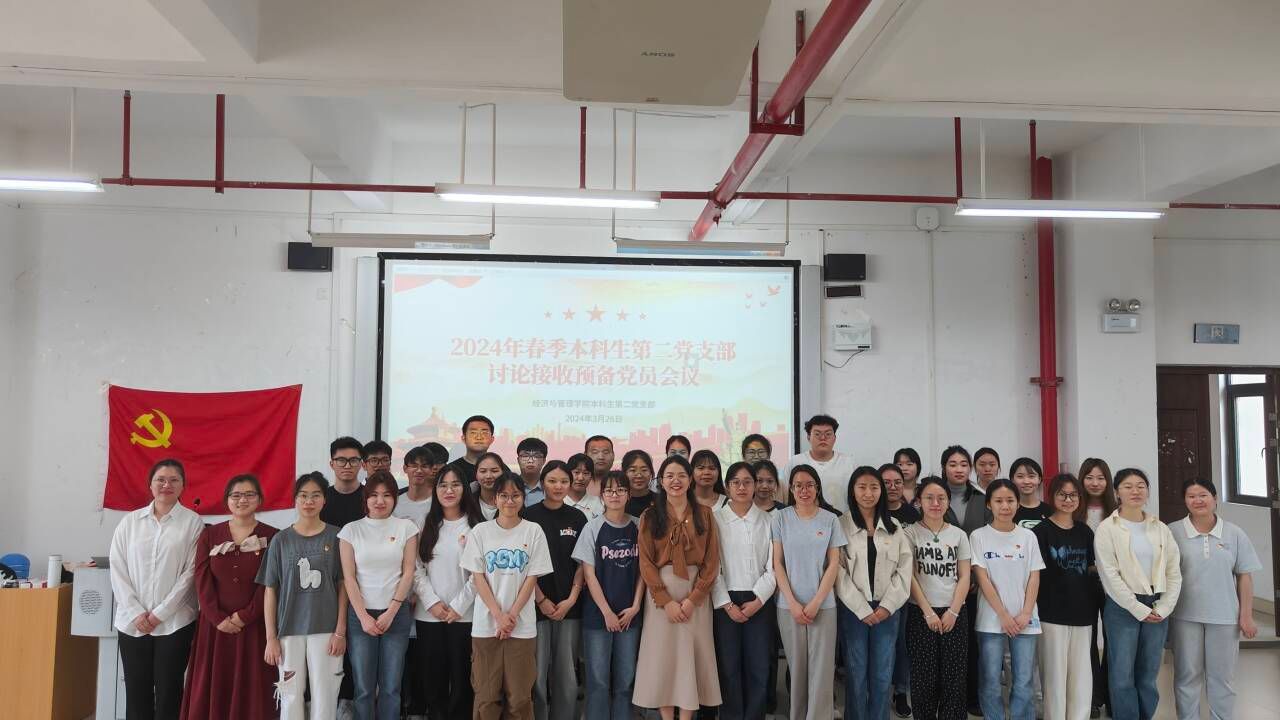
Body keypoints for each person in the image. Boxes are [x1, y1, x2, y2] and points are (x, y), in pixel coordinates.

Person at [109, 459, 203, 720]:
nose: (166, 485)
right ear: (150, 484)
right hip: (132, 623)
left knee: (169, 692)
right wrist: (136, 612)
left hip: (175, 623)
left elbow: (190, 574)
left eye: (174, 480)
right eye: (160, 479)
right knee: (136, 692)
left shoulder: (192, 523)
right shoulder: (130, 522)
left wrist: (159, 614)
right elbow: (117, 569)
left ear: (183, 486)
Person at [181, 475, 277, 720]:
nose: (242, 500)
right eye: (236, 495)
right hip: (215, 628)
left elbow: (271, 584)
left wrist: (246, 616)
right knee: (214, 684)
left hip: (256, 626)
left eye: (249, 494)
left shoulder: (274, 536)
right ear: (227, 500)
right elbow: (201, 579)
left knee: (253, 686)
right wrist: (217, 618)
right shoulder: (209, 535)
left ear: (259, 500)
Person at [634, 454, 723, 719]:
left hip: (696, 597)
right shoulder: (650, 516)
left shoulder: (705, 514)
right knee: (664, 661)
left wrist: (693, 599)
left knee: (690, 661)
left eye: (682, 475)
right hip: (661, 598)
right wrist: (666, 601)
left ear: (690, 479)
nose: (676, 481)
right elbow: (646, 563)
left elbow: (712, 561)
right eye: (670, 476)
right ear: (661, 481)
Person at [461, 474, 554, 720]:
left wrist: (511, 616)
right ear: (495, 499)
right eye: (504, 496)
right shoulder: (481, 532)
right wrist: (498, 616)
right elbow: (478, 578)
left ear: (523, 498)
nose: (510, 501)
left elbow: (532, 578)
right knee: (486, 696)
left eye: (515, 496)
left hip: (521, 627)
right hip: (486, 626)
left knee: (520, 698)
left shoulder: (533, 531)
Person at [1093, 468, 1182, 720]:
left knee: (1148, 673)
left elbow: (1174, 571)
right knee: (1122, 674)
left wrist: (1164, 607)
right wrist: (1137, 608)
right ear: (1116, 492)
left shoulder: (1160, 528)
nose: (1135, 491)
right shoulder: (1107, 528)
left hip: (1157, 605)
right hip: (1122, 606)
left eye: (1141, 486)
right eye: (1128, 486)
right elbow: (1109, 575)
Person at [1170, 477, 1261, 720]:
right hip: (1184, 616)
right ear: (1185, 501)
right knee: (1186, 676)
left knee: (1222, 677)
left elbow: (1244, 576)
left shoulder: (1234, 533)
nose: (1197, 500)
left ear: (1215, 498)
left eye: (1203, 495)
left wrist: (1246, 616)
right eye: (1191, 496)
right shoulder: (1172, 532)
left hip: (1224, 616)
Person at [259, 473, 348, 720]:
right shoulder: (281, 540)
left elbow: (343, 586)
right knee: (289, 694)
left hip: (326, 630)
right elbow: (270, 590)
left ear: (324, 500)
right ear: (295, 500)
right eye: (303, 496)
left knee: (325, 693)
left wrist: (340, 631)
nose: (309, 501)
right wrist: (271, 637)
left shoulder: (337, 537)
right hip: (288, 631)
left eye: (315, 495)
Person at [338, 470, 420, 720]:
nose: (380, 501)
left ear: (395, 498)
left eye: (386, 495)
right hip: (360, 616)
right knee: (363, 688)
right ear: (366, 498)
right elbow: (349, 578)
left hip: (396, 614)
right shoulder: (351, 530)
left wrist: (392, 611)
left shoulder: (406, 527)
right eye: (373, 495)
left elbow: (408, 572)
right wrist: (363, 617)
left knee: (391, 687)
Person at [837, 466, 913, 720]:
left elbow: (904, 570)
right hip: (853, 611)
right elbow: (837, 572)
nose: (868, 493)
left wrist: (887, 607)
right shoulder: (841, 525)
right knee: (856, 672)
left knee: (882, 673)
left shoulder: (894, 527)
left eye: (874, 487)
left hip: (887, 611)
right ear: (852, 491)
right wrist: (861, 609)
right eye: (862, 487)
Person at [772, 464, 847, 720]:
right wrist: (793, 602)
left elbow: (834, 564)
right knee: (797, 669)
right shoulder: (780, 518)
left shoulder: (830, 519)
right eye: (798, 486)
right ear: (791, 489)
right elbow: (777, 563)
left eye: (809, 485)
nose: (804, 490)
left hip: (823, 605)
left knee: (822, 669)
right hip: (788, 606)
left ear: (817, 488)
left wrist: (816, 602)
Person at [412, 466, 485, 720]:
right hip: (429, 615)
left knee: (463, 679)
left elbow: (480, 574)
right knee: (433, 680)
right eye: (443, 485)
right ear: (435, 490)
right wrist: (431, 602)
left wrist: (458, 606)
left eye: (455, 484)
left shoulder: (477, 526)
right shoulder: (425, 523)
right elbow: (415, 568)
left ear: (465, 488)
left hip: (465, 616)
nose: (449, 490)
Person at [573, 471, 644, 720]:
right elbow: (589, 575)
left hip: (630, 616)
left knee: (625, 681)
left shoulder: (639, 525)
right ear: (602, 495)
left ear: (629, 494)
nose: (615, 495)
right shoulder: (592, 527)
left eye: (621, 490)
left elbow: (644, 573)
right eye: (609, 490)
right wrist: (606, 612)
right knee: (598, 682)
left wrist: (636, 606)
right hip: (598, 617)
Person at [970, 478, 1044, 720]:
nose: (1005, 506)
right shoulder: (979, 536)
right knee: (990, 679)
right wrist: (1002, 615)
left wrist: (1025, 613)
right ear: (989, 504)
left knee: (1023, 680)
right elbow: (982, 579)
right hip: (991, 620)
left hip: (1025, 620)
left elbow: (1034, 578)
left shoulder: (1028, 537)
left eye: (1010, 500)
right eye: (999, 501)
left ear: (1018, 503)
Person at [522, 461, 588, 720]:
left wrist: (571, 599)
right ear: (542, 484)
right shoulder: (528, 516)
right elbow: (524, 564)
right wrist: (541, 600)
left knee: (567, 675)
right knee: (536, 675)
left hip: (569, 608)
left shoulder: (578, 518)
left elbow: (583, 563)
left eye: (563, 481)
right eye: (552, 481)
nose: (558, 486)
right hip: (535, 606)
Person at [711, 462, 776, 720]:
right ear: (727, 487)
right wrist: (727, 604)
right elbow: (711, 567)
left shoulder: (769, 520)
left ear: (755, 486)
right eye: (735, 482)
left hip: (759, 600)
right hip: (725, 601)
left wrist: (758, 600)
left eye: (747, 482)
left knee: (759, 665)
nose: (741, 487)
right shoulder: (715, 520)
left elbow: (774, 566)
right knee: (729, 666)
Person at [904, 477, 972, 720]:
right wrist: (928, 612)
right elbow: (909, 576)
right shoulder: (909, 533)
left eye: (941, 498)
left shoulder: (959, 535)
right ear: (919, 502)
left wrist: (953, 612)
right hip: (920, 612)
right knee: (924, 676)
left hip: (955, 612)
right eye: (929, 498)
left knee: (954, 677)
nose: (935, 503)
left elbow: (965, 576)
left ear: (948, 501)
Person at [1033, 474, 1097, 720]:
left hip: (1083, 613)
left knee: (1081, 676)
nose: (1068, 500)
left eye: (1073, 495)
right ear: (1052, 497)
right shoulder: (1040, 532)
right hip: (1051, 614)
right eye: (1062, 494)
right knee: (1054, 677)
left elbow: (1092, 568)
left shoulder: (1085, 531)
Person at [1075, 458, 1116, 716]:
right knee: (1087, 641)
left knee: (1114, 640)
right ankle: (1091, 697)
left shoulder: (1117, 512)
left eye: (1100, 478)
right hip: (1083, 584)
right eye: (1089, 477)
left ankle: (1112, 695)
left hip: (1114, 585)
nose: (1095, 483)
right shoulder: (1073, 511)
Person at [880, 463, 918, 718]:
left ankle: (901, 690)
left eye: (897, 482)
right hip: (875, 588)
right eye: (886, 483)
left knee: (902, 643)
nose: (892, 487)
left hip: (905, 588)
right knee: (883, 645)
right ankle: (880, 691)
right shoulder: (872, 511)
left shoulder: (912, 515)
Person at [781, 414, 855, 514]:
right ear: (808, 437)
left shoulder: (848, 463)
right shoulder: (795, 462)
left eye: (828, 434)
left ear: (834, 438)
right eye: (817, 434)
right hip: (802, 520)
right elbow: (786, 496)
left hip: (842, 519)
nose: (823, 438)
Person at [323, 436, 367, 528]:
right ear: (331, 464)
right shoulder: (322, 498)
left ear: (361, 464)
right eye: (341, 460)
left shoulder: (370, 496)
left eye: (353, 460)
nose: (347, 466)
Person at [395, 445, 436, 530]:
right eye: (414, 466)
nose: (419, 471)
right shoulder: (395, 503)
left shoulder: (439, 501)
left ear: (432, 469)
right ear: (405, 468)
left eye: (424, 466)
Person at [447, 415, 496, 487]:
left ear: (492, 439)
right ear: (463, 438)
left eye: (484, 433)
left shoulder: (502, 469)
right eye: (473, 432)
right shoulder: (451, 469)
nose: (479, 437)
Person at [1010, 458, 1050, 530]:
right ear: (1012, 480)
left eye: (1031, 476)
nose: (1026, 481)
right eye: (1020, 476)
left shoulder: (1050, 511)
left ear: (1039, 479)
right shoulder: (1007, 510)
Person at [565, 453, 606, 520]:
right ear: (567, 474)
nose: (580, 478)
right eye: (576, 472)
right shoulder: (557, 502)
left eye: (586, 473)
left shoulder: (600, 505)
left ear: (591, 477)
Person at [473, 452, 509, 519]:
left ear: (503, 473)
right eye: (483, 471)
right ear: (476, 475)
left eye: (494, 471)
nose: (488, 476)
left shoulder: (512, 502)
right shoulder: (467, 503)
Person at [622, 449, 657, 517]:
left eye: (644, 470)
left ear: (651, 472)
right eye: (633, 470)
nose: (639, 475)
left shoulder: (660, 501)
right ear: (624, 473)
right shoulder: (618, 501)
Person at [516, 437, 549, 507]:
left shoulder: (550, 488)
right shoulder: (510, 486)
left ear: (544, 461)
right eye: (525, 456)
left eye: (536, 456)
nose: (530, 461)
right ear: (518, 460)